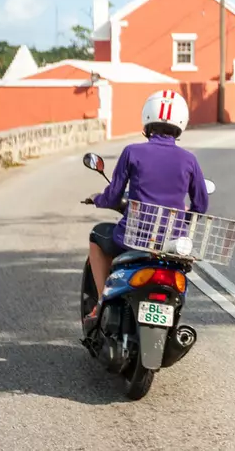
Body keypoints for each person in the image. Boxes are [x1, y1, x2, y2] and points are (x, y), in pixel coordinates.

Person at [82, 90, 209, 319]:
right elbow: (200, 205)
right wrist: (182, 220)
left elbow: (112, 197)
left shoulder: (132, 152)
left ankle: (101, 302)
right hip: (173, 242)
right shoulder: (189, 159)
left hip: (135, 237)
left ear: (147, 119)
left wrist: (98, 199)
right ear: (181, 122)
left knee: (96, 236)